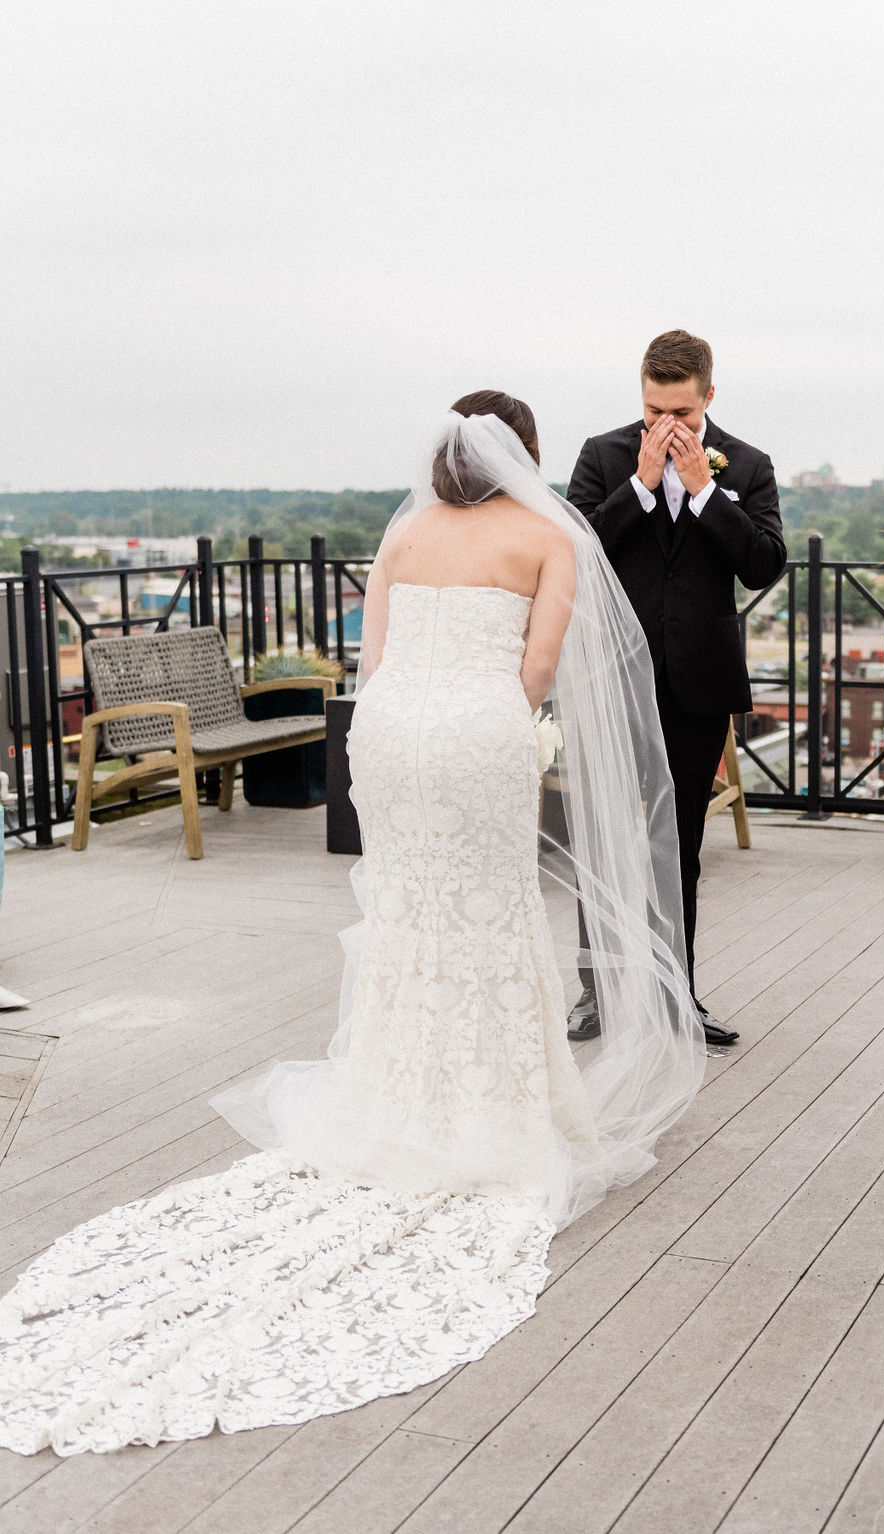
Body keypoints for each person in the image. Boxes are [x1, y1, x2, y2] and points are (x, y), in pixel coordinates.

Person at [0, 394, 704, 1457]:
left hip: (389, 736)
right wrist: (497, 725)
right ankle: (496, 1104)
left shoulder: (405, 530)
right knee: (491, 910)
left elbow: (372, 659)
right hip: (473, 734)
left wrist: (413, 716)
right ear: (523, 457)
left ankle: (397, 1089)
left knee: (410, 913)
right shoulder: (547, 534)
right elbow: (541, 670)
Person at [566, 331, 787, 1048]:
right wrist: (639, 482)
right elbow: (576, 549)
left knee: (680, 843)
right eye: (655, 410)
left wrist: (703, 492)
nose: (667, 426)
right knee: (603, 841)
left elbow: (762, 565)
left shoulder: (748, 466)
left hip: (697, 684)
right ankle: (596, 992)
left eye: (683, 415)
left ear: (709, 398)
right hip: (612, 679)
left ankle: (675, 996)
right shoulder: (603, 456)